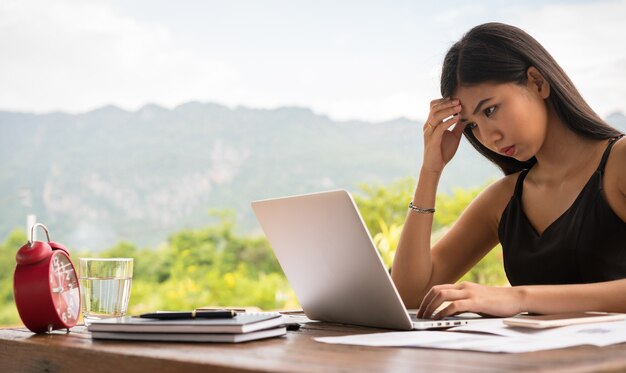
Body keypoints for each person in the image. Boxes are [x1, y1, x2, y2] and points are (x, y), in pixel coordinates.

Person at [391, 22, 626, 320]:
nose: (489, 137)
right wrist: (430, 170)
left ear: (537, 82)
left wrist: (518, 297)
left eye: (490, 110)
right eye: (472, 125)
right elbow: (408, 294)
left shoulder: (619, 162)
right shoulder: (504, 199)